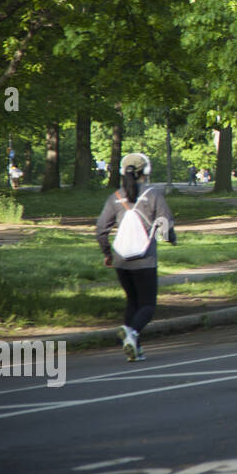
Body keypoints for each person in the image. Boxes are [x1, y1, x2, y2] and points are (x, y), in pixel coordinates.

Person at [95, 152, 176, 362]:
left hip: (121, 259)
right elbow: (165, 224)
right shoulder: (153, 194)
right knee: (148, 305)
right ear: (145, 172)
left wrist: (107, 254)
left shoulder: (115, 197)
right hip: (145, 259)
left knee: (133, 302)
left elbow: (101, 229)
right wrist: (170, 239)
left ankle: (135, 349)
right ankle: (131, 332)